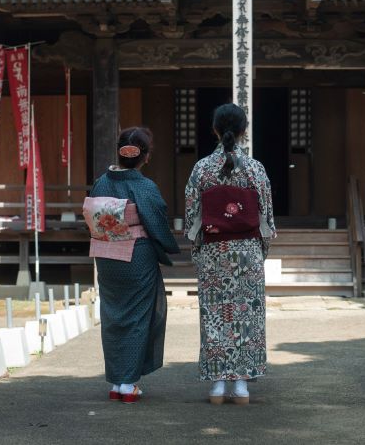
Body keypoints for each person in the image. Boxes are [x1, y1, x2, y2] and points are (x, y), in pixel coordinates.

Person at [184, 103, 276, 405]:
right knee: (246, 316)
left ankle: (217, 385)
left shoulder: (202, 169)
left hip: (213, 250)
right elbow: (267, 218)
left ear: (214, 130)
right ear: (243, 131)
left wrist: (199, 251)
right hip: (247, 251)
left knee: (214, 315)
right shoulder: (255, 168)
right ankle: (241, 386)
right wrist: (260, 251)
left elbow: (192, 216)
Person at [86, 127, 180, 404]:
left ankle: (116, 381)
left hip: (105, 254)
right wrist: (169, 247)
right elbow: (157, 223)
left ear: (120, 151)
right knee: (137, 316)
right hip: (136, 256)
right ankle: (128, 384)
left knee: (114, 316)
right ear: (145, 157)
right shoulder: (144, 187)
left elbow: (91, 220)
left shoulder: (100, 183)